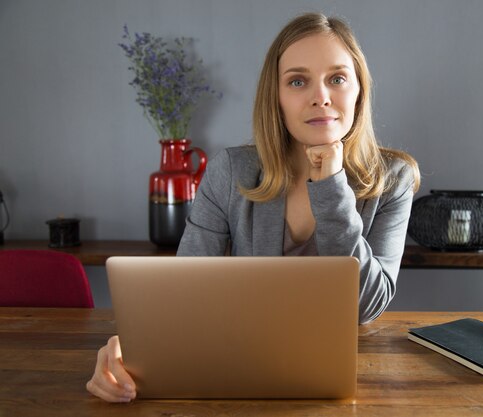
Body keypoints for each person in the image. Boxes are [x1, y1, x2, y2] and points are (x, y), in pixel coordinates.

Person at [86, 12, 420, 403]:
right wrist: (125, 350)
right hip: (240, 370)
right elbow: (183, 295)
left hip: (348, 378)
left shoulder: (393, 177)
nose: (321, 96)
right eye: (298, 81)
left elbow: (366, 308)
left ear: (359, 91)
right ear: (275, 97)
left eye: (338, 78)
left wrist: (329, 185)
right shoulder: (230, 171)